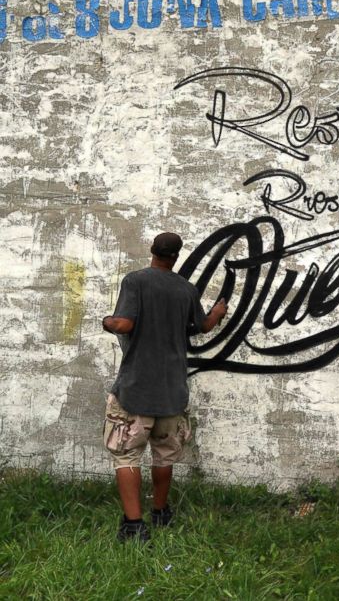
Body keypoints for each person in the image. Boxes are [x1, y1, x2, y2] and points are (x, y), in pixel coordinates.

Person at [101, 232, 227, 542]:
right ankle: (160, 512)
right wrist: (217, 313)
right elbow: (203, 326)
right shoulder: (186, 290)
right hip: (172, 391)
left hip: (135, 390)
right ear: (176, 256)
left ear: (153, 251)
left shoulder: (135, 281)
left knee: (126, 455)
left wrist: (108, 321)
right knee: (163, 456)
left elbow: (126, 323)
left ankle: (134, 525)